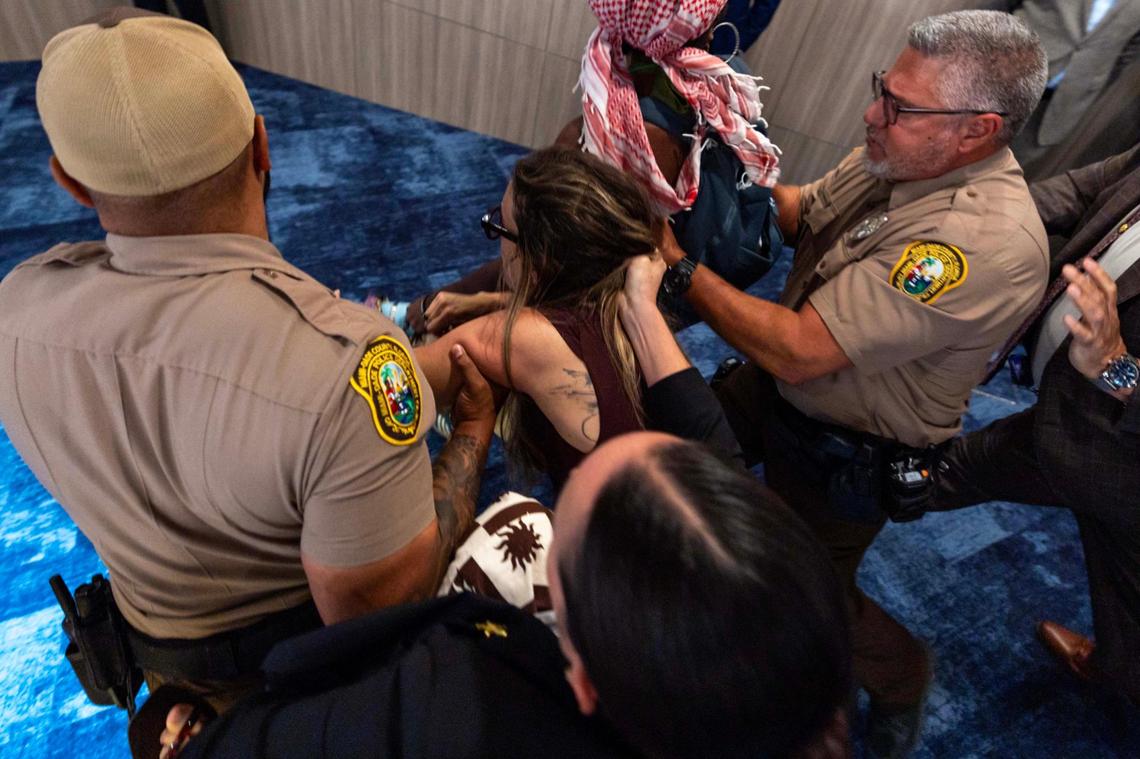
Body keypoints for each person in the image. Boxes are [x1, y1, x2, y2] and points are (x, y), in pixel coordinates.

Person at [0, 8, 496, 713]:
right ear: (263, 145)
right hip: (292, 706)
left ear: (69, 184)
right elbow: (378, 614)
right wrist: (473, 428)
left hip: (162, 697)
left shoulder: (15, 314)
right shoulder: (351, 366)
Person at [654, 9, 1050, 756]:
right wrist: (713, 171)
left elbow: (803, 349)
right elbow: (806, 213)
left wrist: (675, 265)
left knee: (801, 595)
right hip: (779, 386)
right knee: (664, 455)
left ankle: (902, 676)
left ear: (977, 130)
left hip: (846, 444)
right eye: (882, 89)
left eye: (897, 106)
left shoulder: (981, 242)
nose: (872, 113)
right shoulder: (905, 148)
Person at [153, 431, 851, 759]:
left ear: (583, 681)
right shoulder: (792, 711)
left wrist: (191, 743)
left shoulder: (456, 704)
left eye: (561, 545)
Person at [393, 0, 783, 338]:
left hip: (632, 305)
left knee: (518, 281)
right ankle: (424, 313)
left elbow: (579, 294)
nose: (724, 10)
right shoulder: (720, 71)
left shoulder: (633, 136)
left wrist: (482, 303)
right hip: (657, 265)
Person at [930, 144, 1140, 720]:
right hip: (1076, 419)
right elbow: (1075, 191)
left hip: (1112, 459)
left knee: (955, 468)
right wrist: (954, 208)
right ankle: (1117, 668)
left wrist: (1116, 363)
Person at [413, 147, 655, 489]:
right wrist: (485, 300)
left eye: (501, 227)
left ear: (538, 259)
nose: (496, 240)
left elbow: (386, 379)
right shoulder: (635, 298)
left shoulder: (526, 337)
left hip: (601, 538)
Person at [1007, 0, 1140, 180]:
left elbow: (1129, 50)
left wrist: (1095, 79)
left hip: (1063, 102)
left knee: (1001, 173)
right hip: (1008, 67)